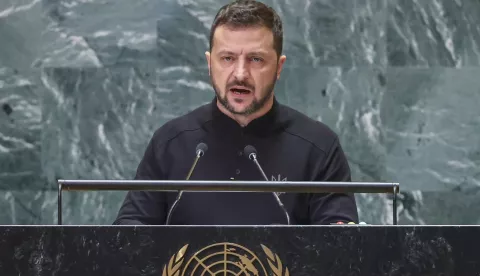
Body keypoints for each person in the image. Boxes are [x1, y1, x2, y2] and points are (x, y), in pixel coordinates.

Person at [113, 0, 358, 225]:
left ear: (279, 67)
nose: (240, 74)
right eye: (227, 58)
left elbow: (338, 249)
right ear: (210, 64)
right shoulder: (170, 143)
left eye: (256, 59)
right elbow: (129, 237)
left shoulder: (319, 147)